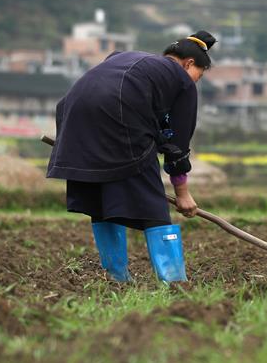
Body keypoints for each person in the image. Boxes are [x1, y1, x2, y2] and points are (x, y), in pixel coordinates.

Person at [47, 31, 217, 282]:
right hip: (119, 114)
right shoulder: (181, 80)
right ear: (188, 64)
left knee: (100, 196)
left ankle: (115, 277)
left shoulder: (124, 58)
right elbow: (177, 142)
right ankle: (174, 282)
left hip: (74, 113)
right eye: (198, 76)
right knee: (153, 205)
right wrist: (182, 193)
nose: (195, 82)